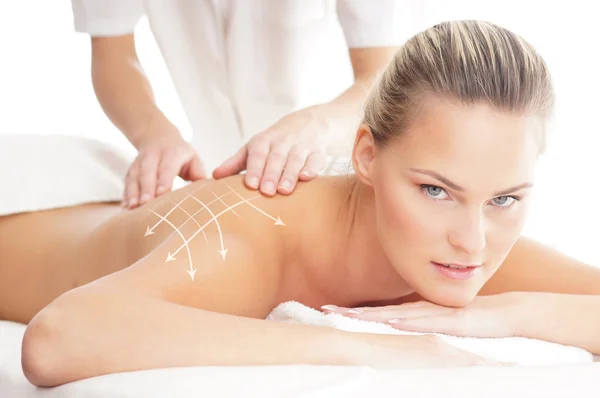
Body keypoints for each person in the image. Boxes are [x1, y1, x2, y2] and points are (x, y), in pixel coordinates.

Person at [4, 20, 600, 388]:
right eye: (435, 191)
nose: (473, 241)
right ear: (364, 156)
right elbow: (56, 339)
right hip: (26, 199)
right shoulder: (253, 236)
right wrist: (367, 346)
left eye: (504, 198)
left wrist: (499, 314)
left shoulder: (462, 241)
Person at [70, 0, 404, 206]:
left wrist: (315, 125)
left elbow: (381, 72)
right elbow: (112, 51)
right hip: (210, 168)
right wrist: (152, 132)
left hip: (328, 149)